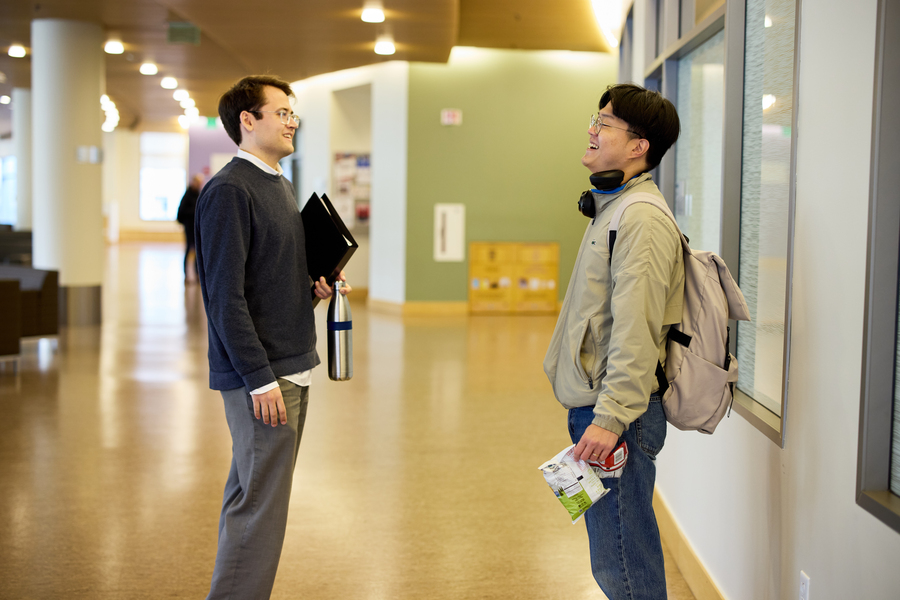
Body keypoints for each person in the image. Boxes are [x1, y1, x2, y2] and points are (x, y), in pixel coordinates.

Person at [194, 75, 350, 600]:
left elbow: (270, 283)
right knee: (260, 507)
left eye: (292, 113)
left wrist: (313, 288)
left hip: (290, 365)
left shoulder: (278, 184)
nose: (292, 121)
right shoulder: (229, 191)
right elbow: (224, 298)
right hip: (264, 379)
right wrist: (259, 379)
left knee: (253, 494)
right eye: (281, 112)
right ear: (248, 120)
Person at [543, 83, 683, 600]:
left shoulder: (639, 218)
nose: (592, 130)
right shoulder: (615, 208)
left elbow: (636, 329)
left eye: (604, 124)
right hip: (603, 407)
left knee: (623, 563)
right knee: (617, 557)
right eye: (595, 119)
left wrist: (610, 418)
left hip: (615, 414)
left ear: (638, 145)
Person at [176, 174, 204, 282]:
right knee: (188, 250)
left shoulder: (198, 194)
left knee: (198, 251)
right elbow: (181, 212)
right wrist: (193, 212)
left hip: (196, 227)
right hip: (189, 227)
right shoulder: (187, 195)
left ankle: (197, 274)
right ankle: (186, 275)